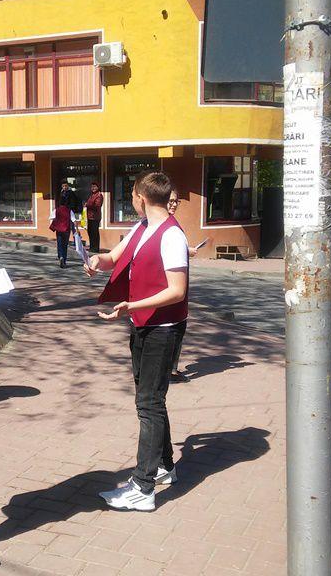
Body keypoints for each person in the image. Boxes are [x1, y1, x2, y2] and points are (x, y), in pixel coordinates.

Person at [84, 171, 190, 511]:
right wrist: (96, 261)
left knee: (149, 403)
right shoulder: (142, 227)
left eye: (132, 195)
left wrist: (133, 305)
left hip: (163, 328)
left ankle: (143, 487)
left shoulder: (171, 235)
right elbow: (113, 258)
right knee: (151, 400)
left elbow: (177, 291)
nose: (132, 200)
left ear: (141, 198)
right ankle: (165, 466)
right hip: (142, 324)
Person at [167, 189, 198, 383]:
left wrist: (186, 250)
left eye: (176, 201)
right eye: (170, 201)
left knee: (178, 326)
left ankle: (171, 369)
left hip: (177, 287)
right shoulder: (165, 225)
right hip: (171, 288)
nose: (173, 204)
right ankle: (168, 371)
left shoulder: (171, 224)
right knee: (174, 327)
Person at [50, 199, 77, 268]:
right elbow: (74, 220)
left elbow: (51, 218)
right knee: (65, 245)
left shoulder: (56, 210)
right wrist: (77, 230)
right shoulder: (69, 211)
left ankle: (60, 256)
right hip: (66, 230)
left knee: (59, 244)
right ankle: (64, 260)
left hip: (59, 230)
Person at [86, 183, 104, 252]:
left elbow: (97, 205)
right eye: (92, 187)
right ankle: (92, 247)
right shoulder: (92, 195)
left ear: (98, 187)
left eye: (94, 187)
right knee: (90, 232)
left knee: (94, 232)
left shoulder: (99, 195)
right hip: (90, 216)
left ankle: (95, 248)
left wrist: (88, 205)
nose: (93, 188)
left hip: (95, 217)